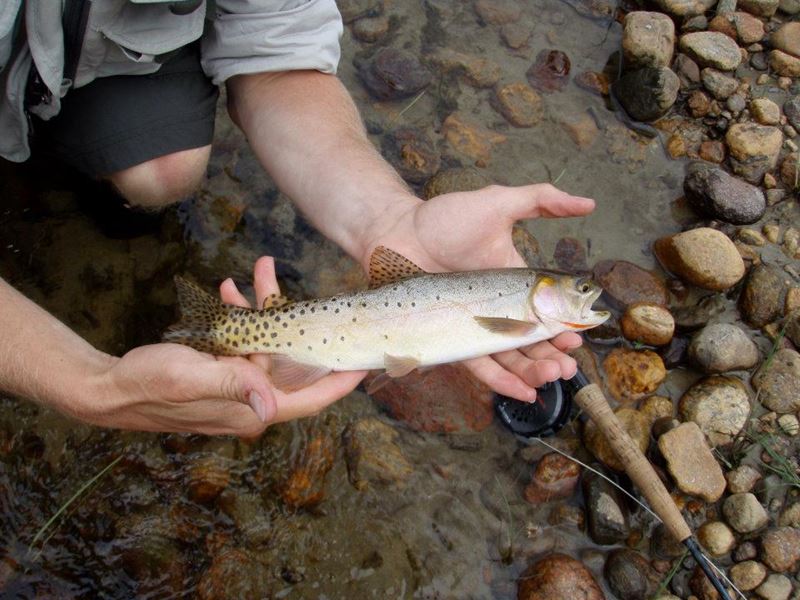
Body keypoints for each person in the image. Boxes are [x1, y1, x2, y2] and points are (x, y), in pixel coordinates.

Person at [0, 1, 595, 438]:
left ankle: (88, 160)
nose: (587, 297)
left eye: (579, 292)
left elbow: (277, 55)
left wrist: (388, 216)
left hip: (91, 49)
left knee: (164, 172)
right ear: (542, 296)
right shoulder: (521, 319)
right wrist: (90, 385)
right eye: (579, 291)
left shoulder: (522, 317)